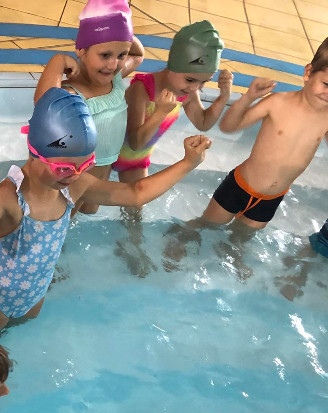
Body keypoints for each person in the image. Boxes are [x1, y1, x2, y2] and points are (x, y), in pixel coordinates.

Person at [0, 89, 211, 333]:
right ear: (34, 151)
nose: (74, 175)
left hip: (35, 296)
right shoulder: (8, 197)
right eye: (64, 168)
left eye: (85, 165)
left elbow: (136, 194)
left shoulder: (75, 187)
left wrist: (188, 163)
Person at [164, 37, 328, 278]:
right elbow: (229, 126)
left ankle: (230, 255)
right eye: (326, 84)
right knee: (208, 224)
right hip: (240, 186)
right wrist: (249, 97)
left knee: (242, 237)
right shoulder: (278, 103)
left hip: (271, 198)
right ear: (308, 72)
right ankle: (179, 239)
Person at [110, 21, 232, 277]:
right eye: (190, 79)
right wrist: (160, 113)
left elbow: (203, 122)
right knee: (84, 202)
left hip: (136, 160)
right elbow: (134, 140)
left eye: (203, 83)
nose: (194, 88)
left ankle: (130, 246)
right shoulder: (142, 88)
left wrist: (223, 97)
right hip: (108, 151)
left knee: (135, 210)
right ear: (173, 64)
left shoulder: (186, 91)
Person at [34, 0, 144, 216]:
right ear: (81, 51)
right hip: (74, 176)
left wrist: (122, 26)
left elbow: (138, 55)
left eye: (121, 55)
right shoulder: (72, 94)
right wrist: (57, 62)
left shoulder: (116, 80)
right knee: (64, 219)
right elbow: (43, 105)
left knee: (89, 213)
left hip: (104, 168)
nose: (113, 64)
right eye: (105, 55)